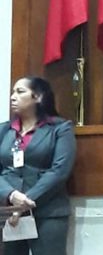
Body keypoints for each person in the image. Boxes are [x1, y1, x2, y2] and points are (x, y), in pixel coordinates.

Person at [0, 76, 76, 255]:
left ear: (38, 97)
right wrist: (11, 195)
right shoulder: (4, 130)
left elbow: (60, 171)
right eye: (13, 92)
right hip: (8, 211)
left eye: (20, 92)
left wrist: (25, 201)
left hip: (48, 212)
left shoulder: (60, 128)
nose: (13, 97)